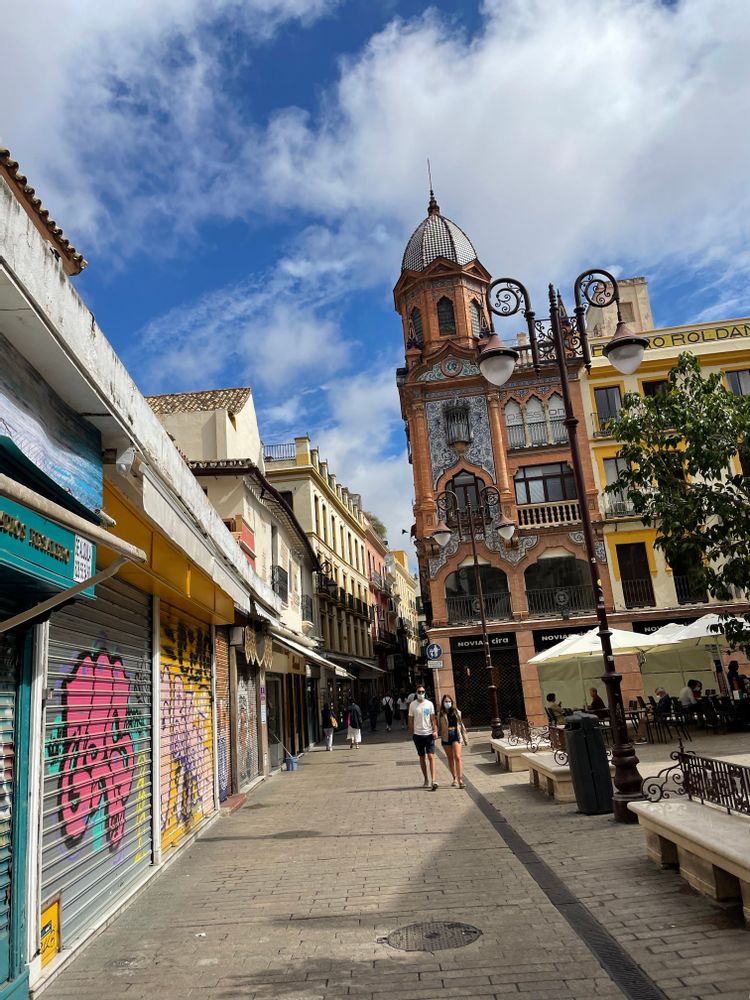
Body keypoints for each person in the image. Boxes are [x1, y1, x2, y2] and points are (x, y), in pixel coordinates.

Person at [408, 685, 438, 790]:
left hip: (429, 734)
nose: (421, 693)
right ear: (416, 693)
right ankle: (426, 779)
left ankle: (433, 780)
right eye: (419, 692)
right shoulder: (412, 705)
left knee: (431, 756)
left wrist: (435, 730)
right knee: (422, 757)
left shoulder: (429, 704)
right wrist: (411, 732)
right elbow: (410, 719)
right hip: (418, 735)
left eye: (423, 691)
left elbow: (433, 718)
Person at [438, 694, 468, 788]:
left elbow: (461, 724)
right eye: (446, 701)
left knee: (458, 757)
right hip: (446, 737)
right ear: (443, 703)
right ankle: (454, 778)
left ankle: (460, 780)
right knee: (450, 758)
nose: (448, 703)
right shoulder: (441, 714)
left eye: (449, 701)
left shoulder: (456, 712)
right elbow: (439, 726)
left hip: (456, 735)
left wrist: (464, 737)